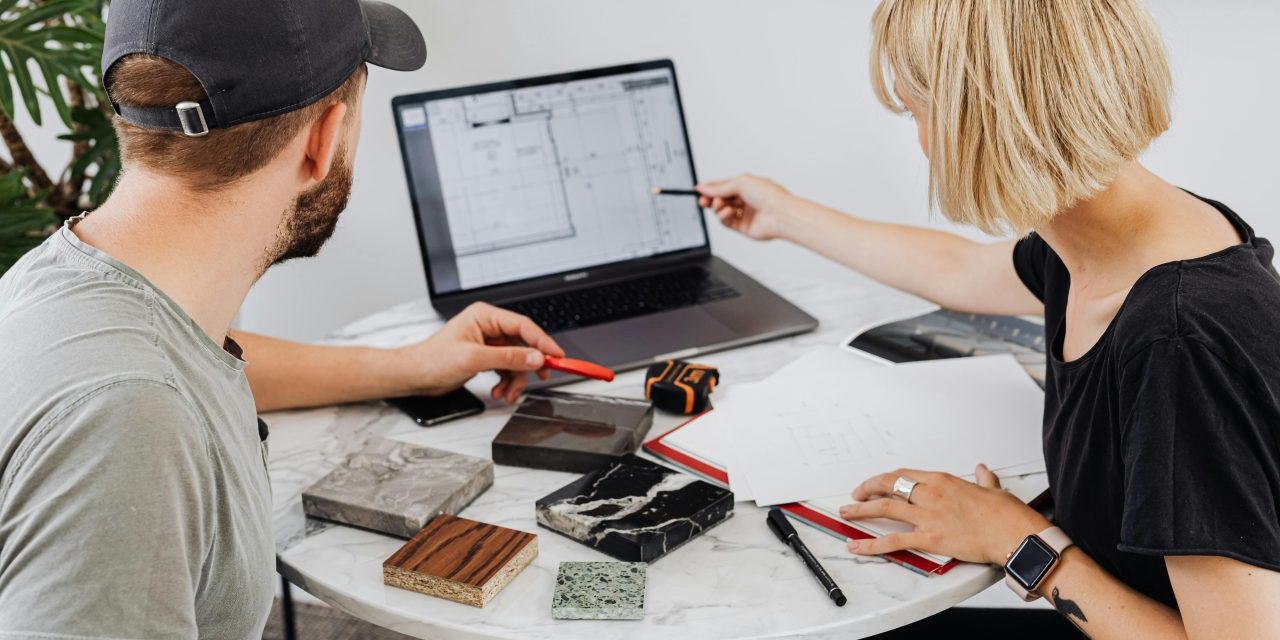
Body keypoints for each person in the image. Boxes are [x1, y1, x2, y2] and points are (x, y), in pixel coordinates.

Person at [698, 0, 1280, 637]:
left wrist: (1016, 539)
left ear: (977, 123)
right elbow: (960, 271)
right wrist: (782, 214)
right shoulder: (1115, 232)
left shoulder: (1176, 341)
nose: (918, 139)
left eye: (915, 110)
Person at [0, 1, 561, 637]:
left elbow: (192, 365)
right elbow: (151, 399)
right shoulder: (131, 424)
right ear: (323, 141)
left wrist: (411, 367)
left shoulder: (67, 288)